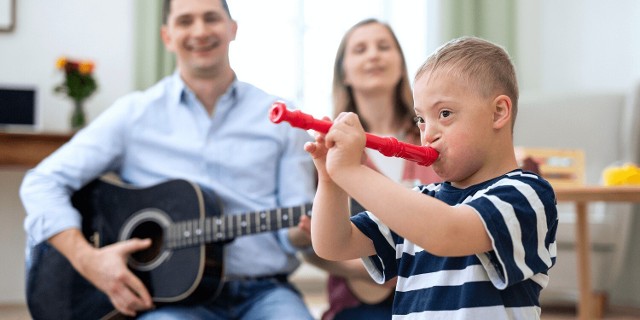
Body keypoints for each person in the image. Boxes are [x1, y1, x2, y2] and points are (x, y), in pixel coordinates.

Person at [20, 0, 316, 319]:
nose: (200, 31)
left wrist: (308, 230)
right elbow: (41, 182)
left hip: (265, 292)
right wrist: (87, 260)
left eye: (211, 18)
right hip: (171, 303)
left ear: (233, 28)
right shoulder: (133, 115)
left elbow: (293, 237)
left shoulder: (283, 118)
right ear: (167, 36)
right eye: (185, 21)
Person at [304, 36, 558, 319]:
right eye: (421, 119)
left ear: (498, 112)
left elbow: (447, 232)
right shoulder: (421, 199)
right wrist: (330, 180)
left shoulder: (526, 194)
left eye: (445, 114)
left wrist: (351, 171)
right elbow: (334, 244)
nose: (428, 133)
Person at [301, 19, 440, 320]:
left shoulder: (435, 136)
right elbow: (319, 246)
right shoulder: (331, 150)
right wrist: (373, 270)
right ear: (345, 73)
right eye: (360, 49)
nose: (373, 55)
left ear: (401, 65)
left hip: (437, 292)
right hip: (360, 304)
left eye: (383, 47)